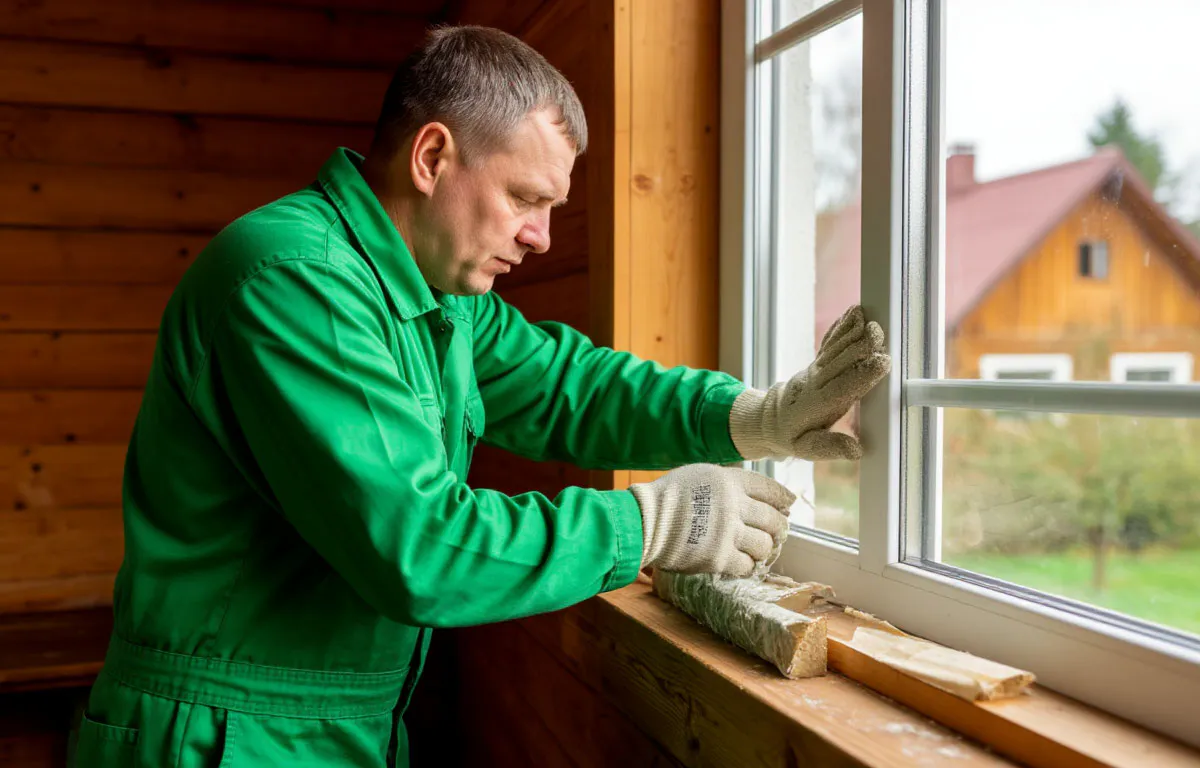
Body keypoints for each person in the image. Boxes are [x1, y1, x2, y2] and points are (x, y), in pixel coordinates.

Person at [71, 25, 889, 767]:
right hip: (220, 734)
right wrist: (654, 523)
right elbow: (418, 548)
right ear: (432, 158)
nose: (541, 235)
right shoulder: (295, 278)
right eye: (526, 198)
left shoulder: (440, 301)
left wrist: (755, 416)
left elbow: (572, 386)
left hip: (334, 726)